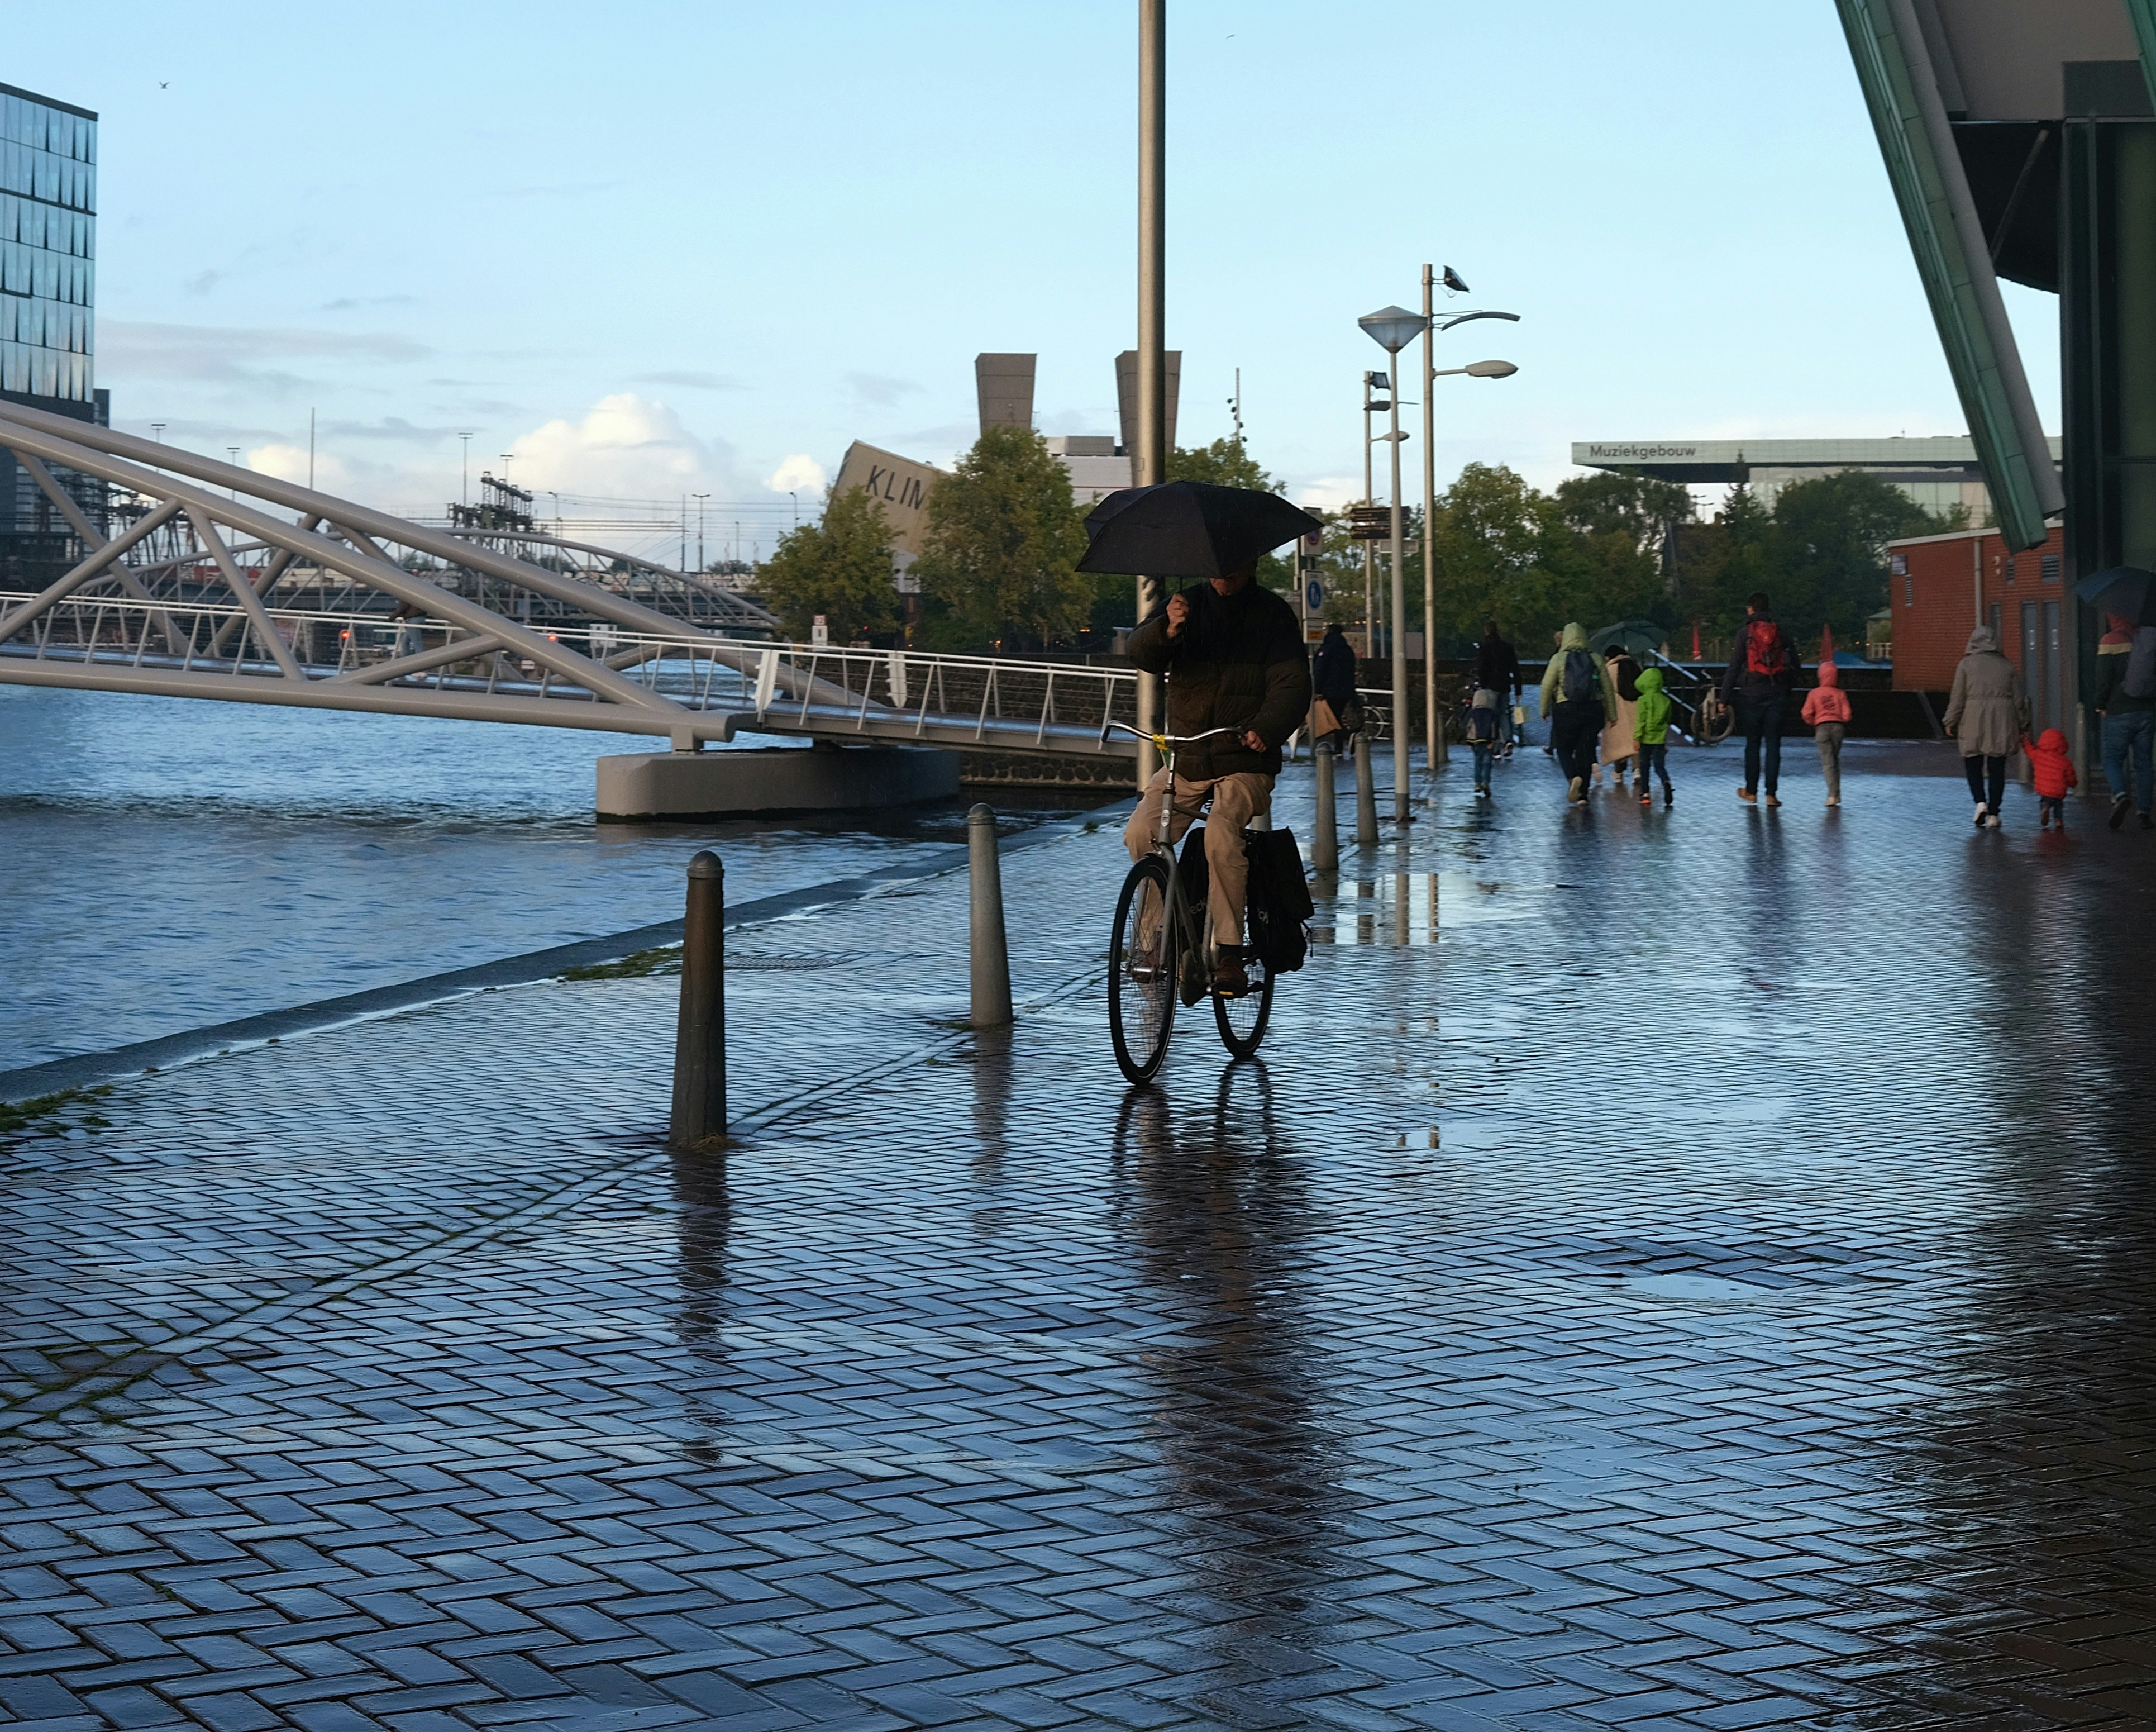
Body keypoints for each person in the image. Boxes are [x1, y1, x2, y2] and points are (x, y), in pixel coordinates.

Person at [1123, 563, 1312, 995]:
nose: (1224, 574)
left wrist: (1265, 728)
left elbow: (1293, 684)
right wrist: (1166, 630)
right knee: (1142, 832)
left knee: (1222, 837)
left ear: (1251, 567)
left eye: (1234, 566)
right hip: (1187, 758)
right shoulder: (1183, 606)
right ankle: (1156, 942)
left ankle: (1229, 951)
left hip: (1244, 759)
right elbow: (1140, 653)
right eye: (1217, 566)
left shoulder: (1272, 615)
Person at [1942, 624, 2026, 829]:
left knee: (1973, 763)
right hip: (2002, 720)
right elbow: (2019, 700)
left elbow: (1958, 698)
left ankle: (1980, 802)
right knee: (1998, 768)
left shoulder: (1966, 665)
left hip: (1973, 718)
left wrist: (1950, 721)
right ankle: (1995, 813)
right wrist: (2024, 724)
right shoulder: (2007, 666)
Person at [1719, 592, 1796, 807]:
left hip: (1751, 694)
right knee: (1773, 744)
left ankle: (1751, 791)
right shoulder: (1780, 631)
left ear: (1751, 609)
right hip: (1777, 693)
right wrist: (1786, 688)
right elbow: (1795, 664)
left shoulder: (1745, 634)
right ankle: (1771, 794)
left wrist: (1723, 698)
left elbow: (1734, 667)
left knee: (1752, 744)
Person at [1539, 621, 1619, 805]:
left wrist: (1544, 710)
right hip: (1592, 710)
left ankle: (1572, 777)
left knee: (1563, 748)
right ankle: (1583, 794)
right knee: (1586, 750)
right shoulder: (1596, 658)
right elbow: (1607, 688)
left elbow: (1546, 686)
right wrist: (1612, 714)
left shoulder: (1559, 659)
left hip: (1565, 708)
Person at [2093, 610, 2156, 830]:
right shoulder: (2148, 639)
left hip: (2118, 711)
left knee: (2112, 759)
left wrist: (2101, 705)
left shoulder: (2110, 641)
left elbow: (2103, 679)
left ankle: (2120, 795)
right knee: (2144, 763)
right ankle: (2144, 813)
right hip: (2147, 710)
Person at [1801, 655, 1853, 809]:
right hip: (1838, 728)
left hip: (1822, 728)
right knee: (1835, 760)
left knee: (1828, 762)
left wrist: (1815, 722)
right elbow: (1847, 715)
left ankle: (1832, 795)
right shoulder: (1840, 694)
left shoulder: (1814, 694)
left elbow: (1806, 713)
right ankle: (1836, 793)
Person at [1595, 646, 1641, 791]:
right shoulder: (1636, 667)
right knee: (1635, 740)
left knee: (1618, 742)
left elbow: (1603, 690)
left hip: (1617, 708)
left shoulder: (1610, 670)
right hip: (1635, 706)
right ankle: (1637, 771)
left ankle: (1619, 773)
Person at [1475, 620, 1523, 753]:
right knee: (1504, 714)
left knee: (1492, 715)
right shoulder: (1507, 647)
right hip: (1505, 685)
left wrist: (1482, 684)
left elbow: (1481, 668)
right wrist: (1518, 689)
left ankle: (1495, 745)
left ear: (1486, 631)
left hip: (1490, 686)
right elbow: (1516, 669)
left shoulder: (1485, 647)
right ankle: (1507, 739)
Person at [1311, 621, 1358, 751]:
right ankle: (1339, 747)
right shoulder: (1347, 649)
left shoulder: (1326, 649)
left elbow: (1320, 671)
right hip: (1346, 689)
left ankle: (1348, 737)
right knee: (1336, 718)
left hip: (1330, 689)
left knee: (1333, 720)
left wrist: (1317, 689)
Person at [1632, 665, 1675, 808]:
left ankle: (1645, 794)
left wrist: (1637, 737)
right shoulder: (1666, 700)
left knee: (1644, 766)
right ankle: (1666, 781)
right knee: (1659, 766)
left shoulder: (1643, 700)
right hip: (1660, 740)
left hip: (1645, 739)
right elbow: (1668, 720)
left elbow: (1641, 721)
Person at [2024, 727, 2078, 830]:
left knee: (2045, 802)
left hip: (2045, 790)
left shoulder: (2038, 755)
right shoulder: (2065, 761)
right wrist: (2073, 784)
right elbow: (2071, 776)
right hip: (2058, 792)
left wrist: (2026, 742)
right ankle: (2058, 821)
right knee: (2059, 806)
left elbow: (2029, 751)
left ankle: (2045, 808)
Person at [1464, 687, 1504, 798]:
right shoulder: (1492, 713)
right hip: (1488, 741)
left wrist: (1469, 742)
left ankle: (1477, 783)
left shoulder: (1473, 713)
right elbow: (1495, 727)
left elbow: (1469, 727)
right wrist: (1495, 741)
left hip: (1476, 741)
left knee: (1477, 762)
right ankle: (1486, 782)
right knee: (1487, 763)